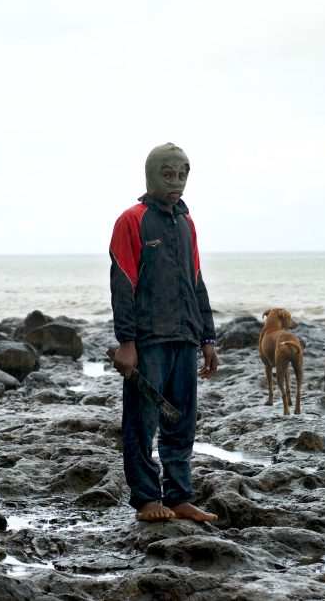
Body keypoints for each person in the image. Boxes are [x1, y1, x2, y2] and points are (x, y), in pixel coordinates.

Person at [108, 143, 219, 522]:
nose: (177, 181)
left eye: (182, 173)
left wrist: (207, 338)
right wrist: (127, 343)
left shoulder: (187, 224)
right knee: (142, 422)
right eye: (168, 173)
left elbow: (196, 281)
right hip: (149, 340)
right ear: (153, 175)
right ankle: (145, 499)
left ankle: (178, 496)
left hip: (186, 339)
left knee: (182, 422)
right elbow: (123, 284)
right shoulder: (132, 220)